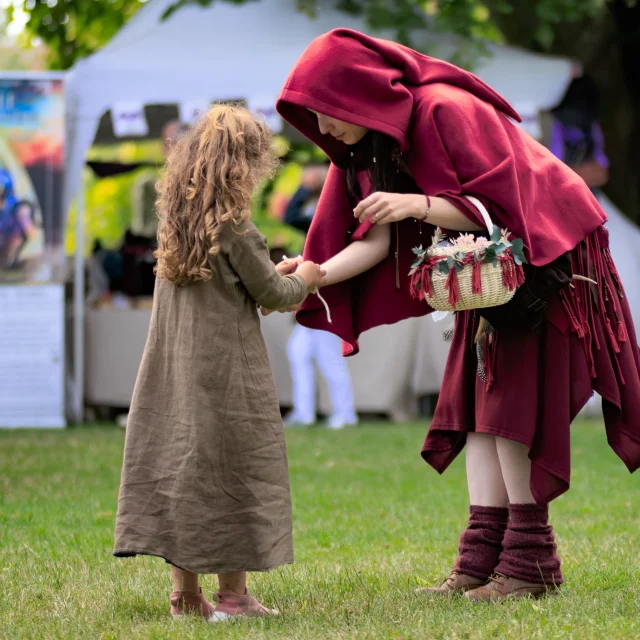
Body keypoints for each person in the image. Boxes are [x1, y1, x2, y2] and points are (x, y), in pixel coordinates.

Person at [276, 29, 640, 602]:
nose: (322, 130)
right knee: (474, 409)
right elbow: (373, 244)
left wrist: (418, 203)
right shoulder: (371, 146)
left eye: (325, 113)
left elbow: (511, 207)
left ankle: (529, 565)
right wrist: (313, 274)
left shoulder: (447, 109)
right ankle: (478, 562)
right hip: (483, 276)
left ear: (356, 92)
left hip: (546, 264)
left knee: (511, 408)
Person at [113, 105, 325, 621]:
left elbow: (234, 287)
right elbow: (273, 293)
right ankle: (234, 597)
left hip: (174, 374)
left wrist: (274, 275)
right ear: (243, 167)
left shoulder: (176, 224)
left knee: (183, 470)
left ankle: (185, 597)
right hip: (229, 377)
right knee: (236, 470)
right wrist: (308, 276)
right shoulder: (235, 227)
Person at [283, 163, 358, 428]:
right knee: (299, 352)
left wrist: (308, 185)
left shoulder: (333, 210)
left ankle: (345, 414)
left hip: (329, 290)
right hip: (314, 290)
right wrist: (306, 188)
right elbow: (291, 216)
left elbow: (291, 217)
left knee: (328, 356)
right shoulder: (316, 207)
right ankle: (305, 413)